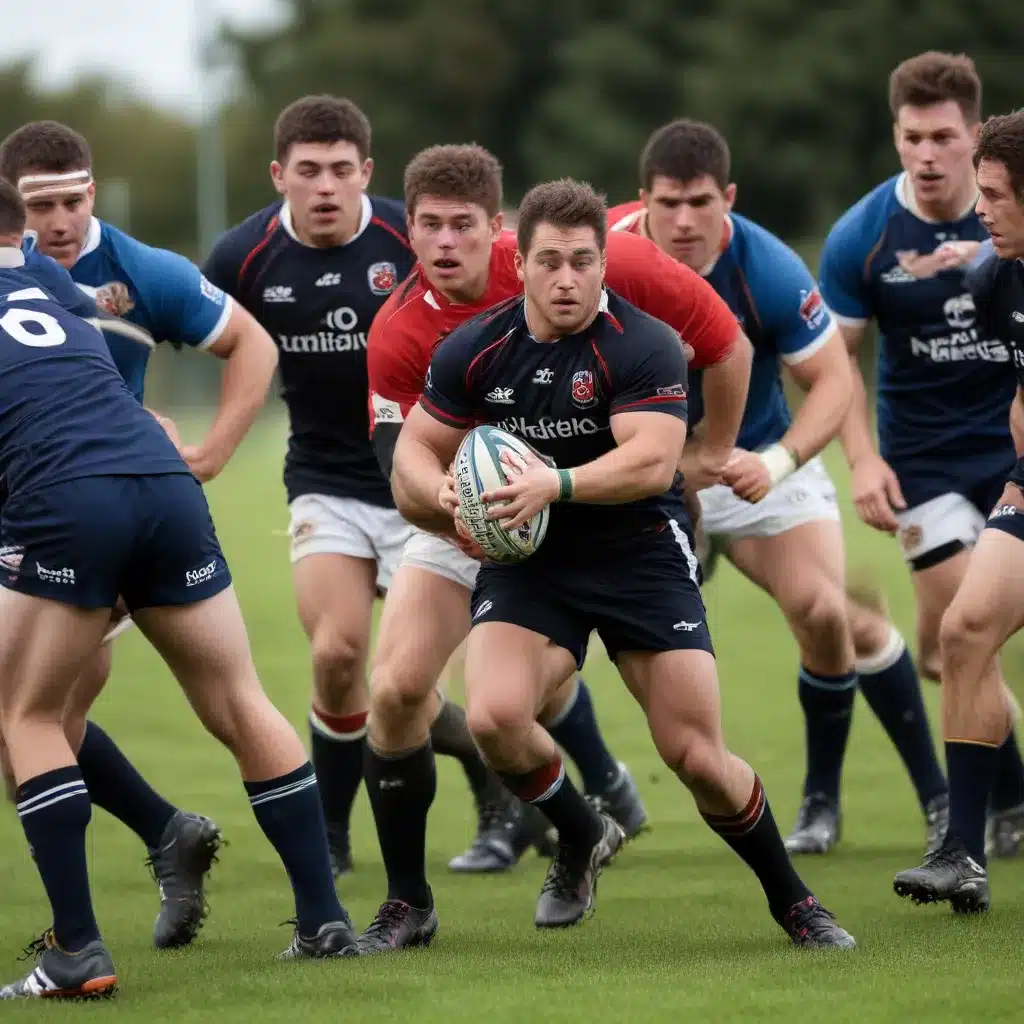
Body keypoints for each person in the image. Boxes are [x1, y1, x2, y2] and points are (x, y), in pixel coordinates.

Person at [390, 176, 855, 948]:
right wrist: (442, 497)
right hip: (532, 557)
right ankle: (580, 832)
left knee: (696, 756)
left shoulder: (644, 343)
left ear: (605, 262)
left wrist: (555, 482)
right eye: (549, 262)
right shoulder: (475, 349)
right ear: (521, 266)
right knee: (497, 719)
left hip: (639, 549)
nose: (566, 279)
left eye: (582, 261)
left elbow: (651, 462)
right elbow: (412, 450)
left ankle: (794, 901)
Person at [0, 181, 358, 1000]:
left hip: (66, 497)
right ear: (18, 230)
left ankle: (77, 953)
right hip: (162, 482)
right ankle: (323, 920)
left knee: (25, 715)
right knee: (238, 700)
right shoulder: (50, 280)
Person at [203, 96, 553, 876]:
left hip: (439, 482)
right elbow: (203, 335)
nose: (324, 187)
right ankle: (332, 831)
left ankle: (523, 789)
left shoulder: (419, 233)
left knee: (433, 677)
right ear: (278, 176)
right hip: (327, 476)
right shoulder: (241, 256)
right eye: (307, 172)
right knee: (336, 654)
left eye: (339, 170)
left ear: (366, 172)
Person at [608, 118, 950, 856]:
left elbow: (832, 380)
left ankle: (874, 802)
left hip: (751, 465)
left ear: (727, 197)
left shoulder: (766, 266)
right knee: (548, 645)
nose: (685, 220)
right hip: (637, 477)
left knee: (828, 613)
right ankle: (574, 802)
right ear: (642, 201)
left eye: (701, 202)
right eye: (669, 203)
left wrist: (782, 462)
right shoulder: (599, 251)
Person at [0, 119, 280, 947]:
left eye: (70, 199)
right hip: (52, 500)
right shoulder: (41, 282)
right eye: (37, 204)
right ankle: (164, 835)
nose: (56, 219)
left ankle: (83, 931)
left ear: (93, 192)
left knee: (36, 720)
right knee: (35, 722)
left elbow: (249, 343)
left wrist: (210, 452)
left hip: (93, 509)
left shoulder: (136, 270)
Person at [819, 52, 1024, 857]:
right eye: (912, 138)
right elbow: (830, 364)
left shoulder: (1007, 218)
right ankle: (1004, 793)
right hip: (926, 458)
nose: (928, 156)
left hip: (1005, 450)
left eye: (944, 138)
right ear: (895, 135)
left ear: (975, 137)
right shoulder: (863, 237)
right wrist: (864, 462)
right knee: (950, 643)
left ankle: (997, 806)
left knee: (970, 634)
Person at [893, 109, 1024, 912]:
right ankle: (962, 854)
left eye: (1002, 195)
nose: (983, 207)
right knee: (963, 629)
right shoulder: (993, 277)